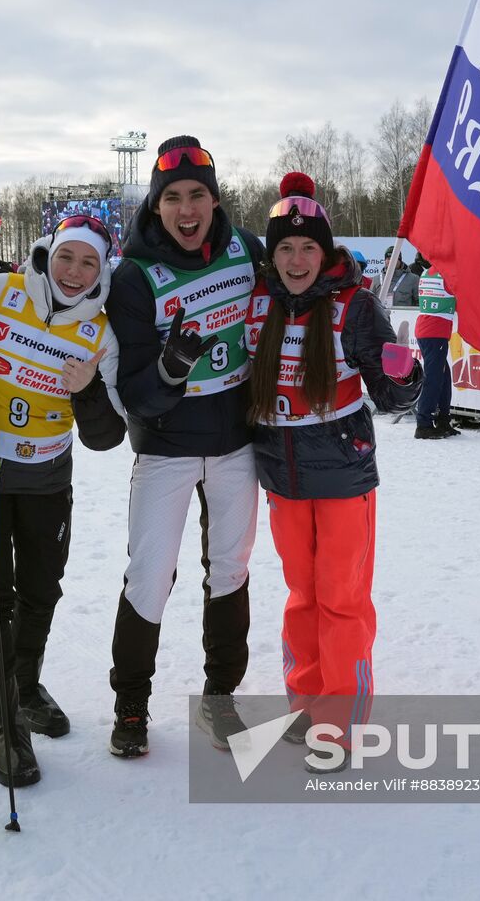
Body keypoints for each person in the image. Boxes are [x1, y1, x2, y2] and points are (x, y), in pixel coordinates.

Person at [244, 172, 421, 767]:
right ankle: (307, 701)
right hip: (283, 478)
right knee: (302, 595)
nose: (297, 259)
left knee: (342, 600)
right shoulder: (258, 303)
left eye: (308, 248)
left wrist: (404, 375)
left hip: (343, 476)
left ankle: (339, 725)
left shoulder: (354, 305)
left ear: (326, 252)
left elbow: (394, 398)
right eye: (286, 248)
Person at [103, 136, 264, 758]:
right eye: (173, 197)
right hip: (166, 449)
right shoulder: (134, 276)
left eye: (198, 194)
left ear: (215, 199)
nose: (187, 208)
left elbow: (304, 274)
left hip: (233, 444)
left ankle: (220, 698)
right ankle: (131, 706)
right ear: (157, 204)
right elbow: (135, 394)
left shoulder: (247, 250)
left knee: (230, 569)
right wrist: (171, 370)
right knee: (149, 576)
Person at [0, 214, 126, 785]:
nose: (75, 272)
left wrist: (86, 392)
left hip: (47, 479)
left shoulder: (100, 333)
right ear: (47, 254)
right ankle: (1, 720)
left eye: (89, 262)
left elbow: (107, 437)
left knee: (40, 591)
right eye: (67, 257)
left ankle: (24, 683)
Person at [413, 254, 458, 439]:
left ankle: (443, 420)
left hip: (427, 330)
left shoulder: (427, 273)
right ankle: (423, 424)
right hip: (436, 331)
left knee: (443, 376)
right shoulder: (447, 276)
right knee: (434, 378)